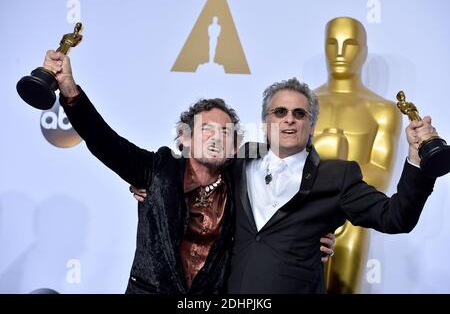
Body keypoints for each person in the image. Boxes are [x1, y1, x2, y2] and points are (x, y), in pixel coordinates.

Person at [41, 50, 334, 294]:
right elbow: (103, 140)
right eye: (206, 130)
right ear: (185, 138)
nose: (216, 138)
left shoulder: (243, 179)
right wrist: (68, 87)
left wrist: (313, 234)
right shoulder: (157, 171)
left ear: (235, 146)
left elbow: (293, 157)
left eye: (226, 133)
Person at [224, 77, 438, 293]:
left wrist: (418, 161)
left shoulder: (336, 176)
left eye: (299, 114)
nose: (289, 119)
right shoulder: (240, 160)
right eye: (280, 112)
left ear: (312, 127)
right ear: (264, 123)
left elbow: (396, 217)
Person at [312, 17, 403, 293]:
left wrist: (330, 171)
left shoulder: (383, 110)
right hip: (302, 215)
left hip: (352, 220)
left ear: (363, 51)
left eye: (349, 44)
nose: (340, 53)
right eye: (332, 44)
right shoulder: (302, 105)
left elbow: (381, 174)